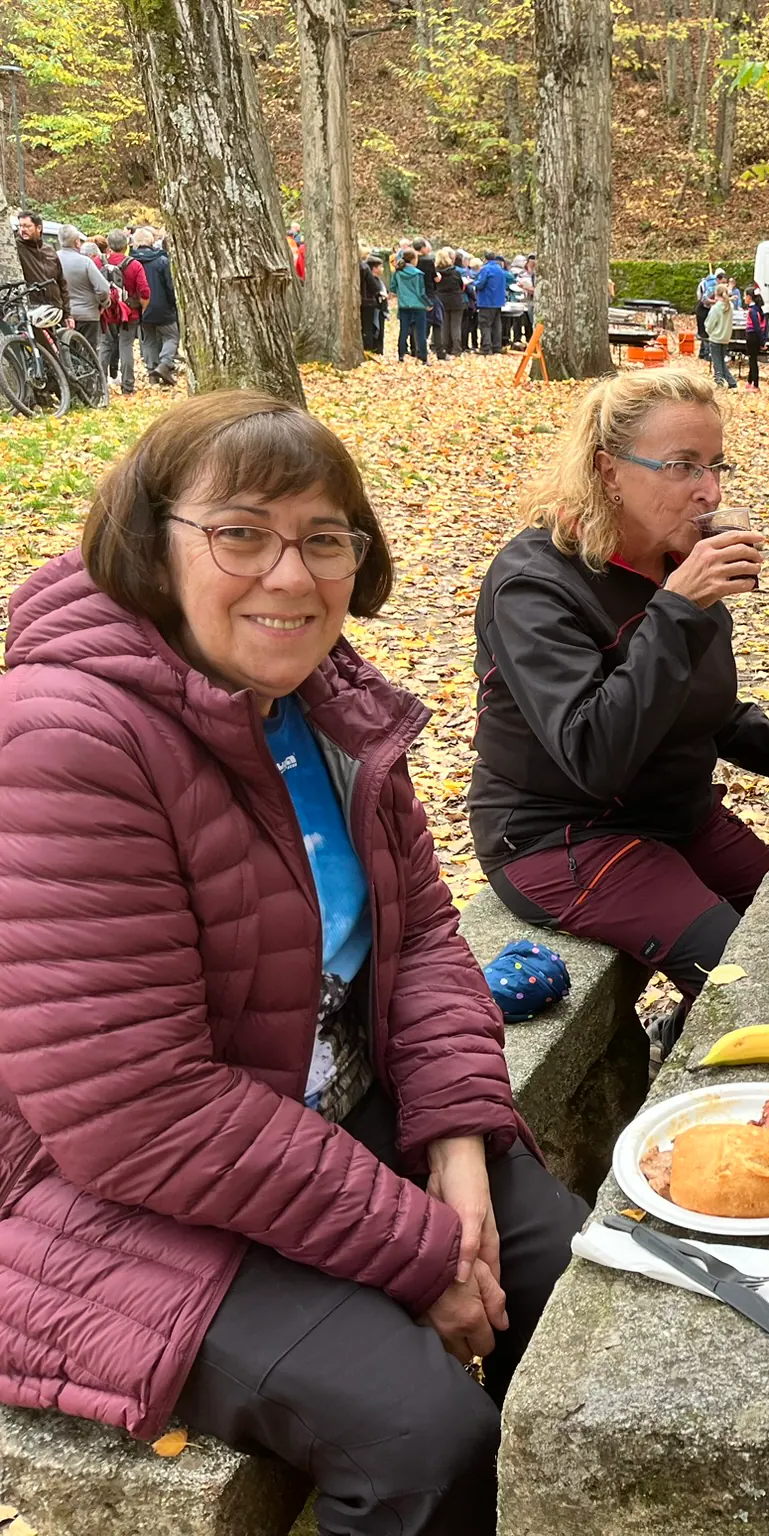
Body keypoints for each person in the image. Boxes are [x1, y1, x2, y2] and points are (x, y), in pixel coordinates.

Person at [0, 390, 585, 1535]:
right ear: (149, 543)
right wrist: (422, 1249)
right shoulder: (67, 737)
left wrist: (459, 1152)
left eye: (323, 539)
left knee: (568, 1280)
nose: (290, 575)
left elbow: (419, 938)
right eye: (241, 533)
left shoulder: (324, 702)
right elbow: (136, 1110)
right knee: (421, 1435)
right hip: (97, 1191)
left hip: (316, 1111)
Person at [470, 368, 769, 1050]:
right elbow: (592, 754)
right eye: (682, 466)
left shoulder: (675, 563)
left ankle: (680, 1035)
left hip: (673, 814)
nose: (710, 490)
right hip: (563, 835)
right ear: (609, 472)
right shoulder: (535, 584)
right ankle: (698, 1095)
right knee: (744, 977)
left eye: (716, 465)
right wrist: (677, 610)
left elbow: (704, 710)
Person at [98, 228, 149, 395]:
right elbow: (144, 292)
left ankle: (99, 384)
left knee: (105, 346)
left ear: (109, 246)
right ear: (126, 245)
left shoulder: (99, 263)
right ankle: (127, 385)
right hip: (129, 312)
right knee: (126, 346)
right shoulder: (134, 265)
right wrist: (142, 308)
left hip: (106, 311)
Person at [132, 227, 180, 386]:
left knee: (148, 341)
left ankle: (152, 374)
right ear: (151, 241)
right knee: (172, 336)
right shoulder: (162, 260)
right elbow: (170, 286)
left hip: (142, 307)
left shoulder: (131, 262)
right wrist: (174, 304)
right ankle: (165, 364)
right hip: (163, 307)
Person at [57, 227, 109, 356]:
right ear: (76, 242)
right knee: (90, 354)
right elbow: (103, 288)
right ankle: (92, 375)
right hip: (88, 314)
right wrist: (103, 303)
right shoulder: (85, 262)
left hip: (62, 315)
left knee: (68, 353)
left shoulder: (53, 260)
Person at [12, 210, 64, 313]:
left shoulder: (49, 250)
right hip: (33, 311)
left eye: (27, 226)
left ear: (38, 228)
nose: (23, 229)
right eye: (21, 226)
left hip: (55, 310)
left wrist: (68, 314)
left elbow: (61, 282)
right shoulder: (16, 248)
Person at [394, 249, 432, 365]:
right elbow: (420, 292)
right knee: (420, 331)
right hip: (418, 305)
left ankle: (401, 355)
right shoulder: (418, 274)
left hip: (404, 304)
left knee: (404, 330)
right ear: (413, 259)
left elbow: (392, 287)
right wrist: (428, 303)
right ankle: (423, 357)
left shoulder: (398, 273)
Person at [432, 249, 467, 361]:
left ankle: (445, 347)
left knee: (444, 326)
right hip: (456, 300)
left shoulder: (436, 273)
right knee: (456, 326)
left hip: (442, 300)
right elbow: (461, 285)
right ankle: (456, 349)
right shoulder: (455, 272)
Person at [703, 278, 737, 389]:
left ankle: (719, 381)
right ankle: (731, 381)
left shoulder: (716, 308)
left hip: (716, 338)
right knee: (721, 360)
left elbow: (709, 323)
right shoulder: (730, 307)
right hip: (726, 337)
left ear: (716, 294)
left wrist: (709, 332)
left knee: (717, 362)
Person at [473, 251, 509, 356]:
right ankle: (497, 346)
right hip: (498, 301)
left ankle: (486, 347)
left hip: (487, 301)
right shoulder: (500, 270)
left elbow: (480, 284)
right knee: (496, 325)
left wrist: (473, 282)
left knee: (485, 324)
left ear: (485, 259)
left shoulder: (486, 269)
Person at [360, 251, 388, 357]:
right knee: (371, 329)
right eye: (380, 267)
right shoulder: (370, 278)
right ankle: (372, 349)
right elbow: (375, 290)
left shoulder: (377, 280)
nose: (382, 269)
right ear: (375, 268)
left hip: (376, 307)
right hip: (371, 305)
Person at [742, 282, 769, 390]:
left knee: (753, 361)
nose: (744, 298)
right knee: (751, 359)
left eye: (745, 296)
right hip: (754, 337)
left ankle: (756, 384)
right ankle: (749, 381)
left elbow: (757, 327)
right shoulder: (758, 310)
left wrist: (762, 342)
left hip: (752, 337)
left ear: (749, 297)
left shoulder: (752, 311)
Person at [695, 266, 722, 343]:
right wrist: (715, 301)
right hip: (703, 310)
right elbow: (704, 299)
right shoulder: (712, 287)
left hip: (708, 310)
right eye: (723, 282)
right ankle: (705, 353)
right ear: (718, 279)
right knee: (704, 333)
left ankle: (704, 352)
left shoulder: (715, 286)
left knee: (707, 332)